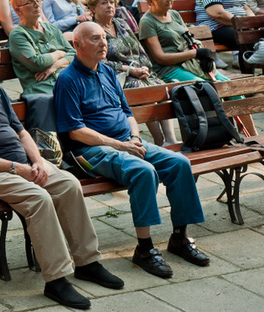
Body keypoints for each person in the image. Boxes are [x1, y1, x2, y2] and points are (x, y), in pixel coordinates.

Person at [0, 37, 122, 310]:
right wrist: (18, 168)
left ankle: (87, 262)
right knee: (39, 198)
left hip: (23, 165)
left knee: (69, 184)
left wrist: (37, 161)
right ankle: (57, 280)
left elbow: (21, 132)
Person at [55, 22, 210, 279]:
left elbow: (127, 113)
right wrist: (120, 145)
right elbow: (74, 131)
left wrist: (135, 137)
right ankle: (145, 249)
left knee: (179, 163)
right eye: (95, 39)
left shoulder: (105, 71)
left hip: (127, 140)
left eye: (104, 38)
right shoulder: (68, 80)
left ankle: (180, 238)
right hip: (91, 151)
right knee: (143, 171)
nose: (103, 43)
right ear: (77, 45)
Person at [87, 0, 177, 145]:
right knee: (143, 90)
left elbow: (139, 49)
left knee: (162, 89)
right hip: (116, 77)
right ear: (93, 8)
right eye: (104, 3)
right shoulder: (91, 29)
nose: (110, 6)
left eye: (112, 2)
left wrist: (144, 67)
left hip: (139, 71)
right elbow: (97, 60)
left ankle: (171, 139)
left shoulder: (120, 23)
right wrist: (129, 70)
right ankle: (159, 139)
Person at [9, 0, 75, 95]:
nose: (37, 5)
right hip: (42, 87)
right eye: (30, 2)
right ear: (18, 10)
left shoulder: (51, 28)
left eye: (38, 0)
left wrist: (56, 65)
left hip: (66, 81)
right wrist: (60, 53)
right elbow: (37, 63)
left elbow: (74, 54)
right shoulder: (17, 35)